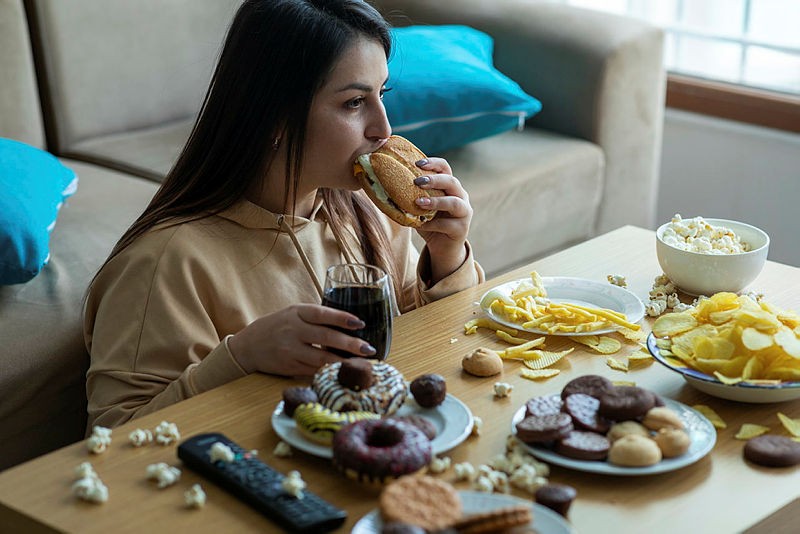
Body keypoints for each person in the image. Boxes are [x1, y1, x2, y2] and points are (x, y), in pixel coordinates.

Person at [83, 0, 483, 430]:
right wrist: (240, 358)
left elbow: (433, 355)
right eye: (353, 103)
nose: (383, 129)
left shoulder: (371, 210)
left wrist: (447, 257)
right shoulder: (164, 264)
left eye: (381, 95)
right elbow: (111, 439)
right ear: (273, 115)